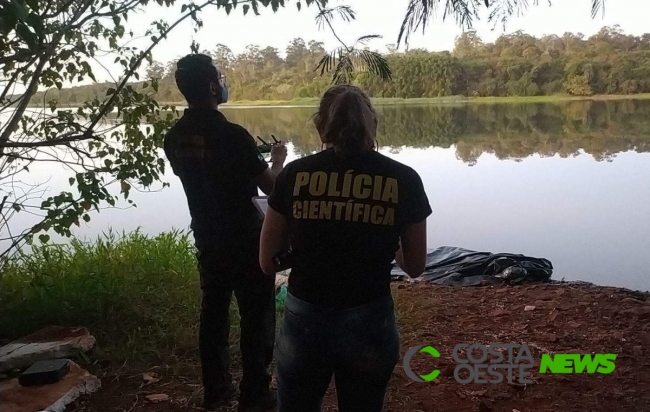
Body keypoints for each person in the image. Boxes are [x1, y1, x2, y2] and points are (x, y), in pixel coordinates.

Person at [259, 84, 432, 412]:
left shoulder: (295, 175)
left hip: (306, 317)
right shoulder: (403, 179)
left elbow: (268, 263)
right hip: (370, 317)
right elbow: (415, 265)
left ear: (320, 126)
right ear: (373, 124)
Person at [163, 53, 287, 412]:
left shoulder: (174, 137)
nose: (223, 82)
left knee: (213, 313)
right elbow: (271, 188)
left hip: (207, 236)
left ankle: (216, 390)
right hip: (247, 239)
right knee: (256, 315)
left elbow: (204, 172)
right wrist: (277, 159)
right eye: (220, 77)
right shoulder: (233, 134)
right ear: (213, 86)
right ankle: (256, 392)